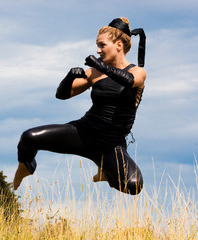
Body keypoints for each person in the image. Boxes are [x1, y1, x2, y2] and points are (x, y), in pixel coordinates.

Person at [13, 17, 146, 195]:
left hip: (111, 145)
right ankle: (26, 167)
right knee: (29, 137)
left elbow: (129, 81)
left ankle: (106, 171)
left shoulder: (137, 72)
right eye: (97, 46)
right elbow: (62, 95)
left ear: (119, 45)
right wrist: (69, 77)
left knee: (133, 186)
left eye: (102, 45)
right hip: (83, 133)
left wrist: (101, 67)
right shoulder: (95, 72)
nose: (98, 50)